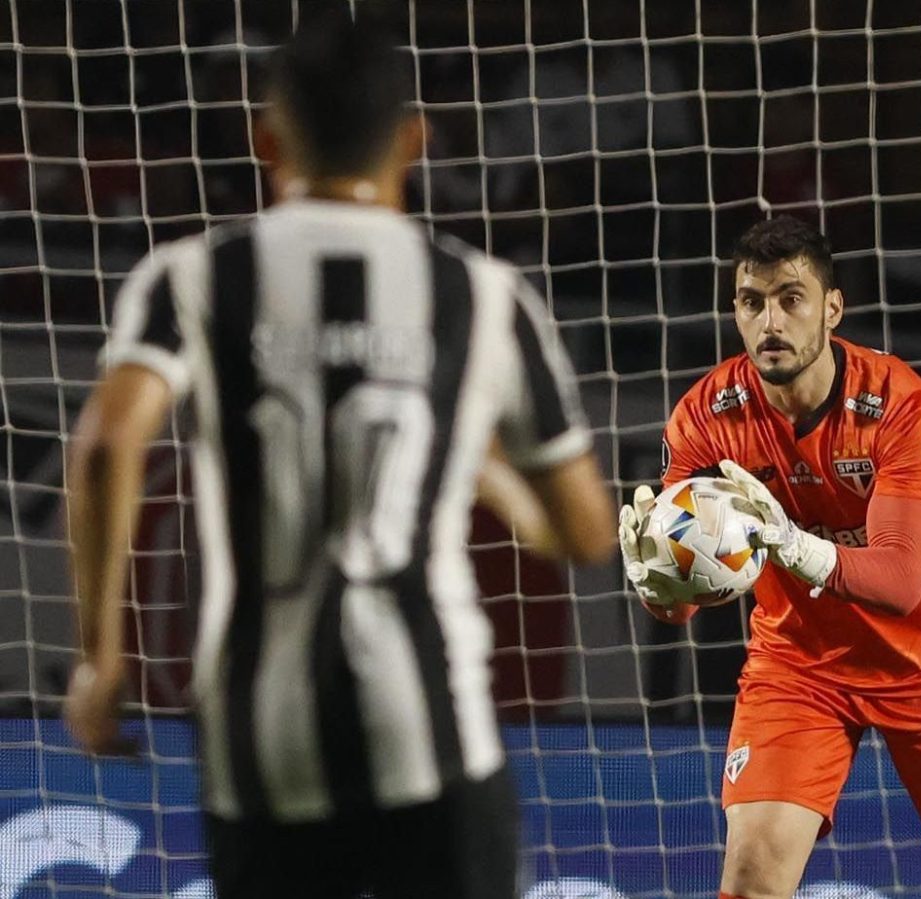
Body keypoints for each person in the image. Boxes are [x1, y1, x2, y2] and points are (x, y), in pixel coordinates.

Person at [63, 11, 614, 899]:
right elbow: (584, 533)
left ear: (266, 136)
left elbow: (103, 445)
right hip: (431, 724)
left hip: (259, 734)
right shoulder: (485, 295)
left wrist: (100, 655)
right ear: (413, 140)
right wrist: (470, 459)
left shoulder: (192, 274)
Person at [619, 216, 921, 898]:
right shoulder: (705, 414)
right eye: (752, 301)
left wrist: (787, 539)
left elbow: (900, 581)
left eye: (791, 297)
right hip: (799, 668)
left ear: (832, 309)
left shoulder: (899, 404)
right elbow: (682, 603)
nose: (770, 320)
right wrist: (657, 580)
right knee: (751, 882)